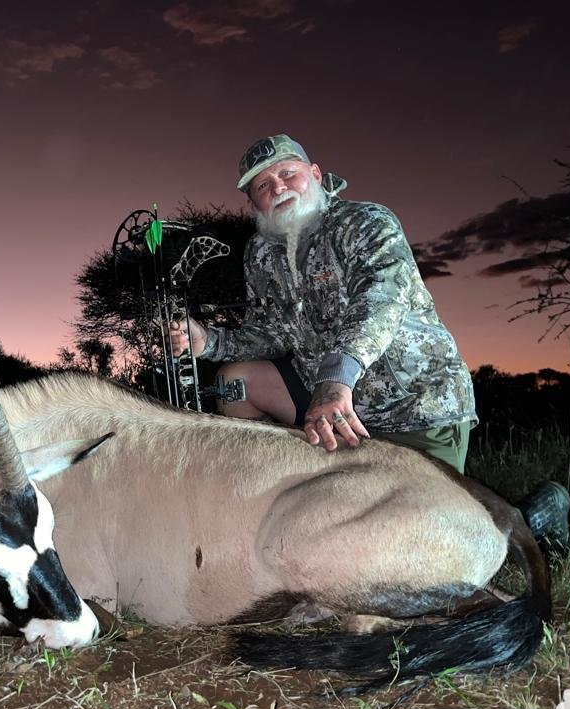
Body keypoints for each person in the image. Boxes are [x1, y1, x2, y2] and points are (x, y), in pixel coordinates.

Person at [170, 134, 475, 472]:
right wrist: (208, 341)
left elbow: (382, 300)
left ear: (315, 174)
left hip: (412, 406)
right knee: (235, 385)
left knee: (428, 519)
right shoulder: (259, 253)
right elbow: (271, 333)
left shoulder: (366, 221)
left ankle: (525, 511)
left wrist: (334, 382)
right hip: (321, 398)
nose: (277, 188)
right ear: (254, 203)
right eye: (262, 186)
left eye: (287, 173)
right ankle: (281, 478)